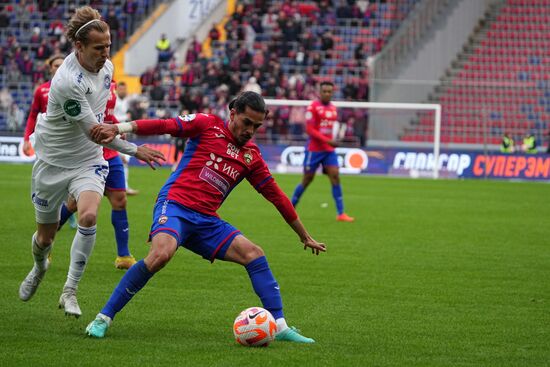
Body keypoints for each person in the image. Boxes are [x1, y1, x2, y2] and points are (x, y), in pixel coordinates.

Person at [85, 92, 326, 343]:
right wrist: (119, 127)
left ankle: (280, 325)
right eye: (247, 123)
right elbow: (165, 125)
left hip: (207, 221)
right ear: (233, 114)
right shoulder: (206, 124)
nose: (250, 131)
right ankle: (103, 318)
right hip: (175, 206)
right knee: (160, 255)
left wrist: (304, 235)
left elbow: (277, 197)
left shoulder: (251, 157)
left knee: (254, 253)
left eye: (257, 126)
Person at [18, 6, 165, 318]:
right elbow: (96, 132)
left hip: (88, 159)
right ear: (79, 47)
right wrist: (136, 150)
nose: (105, 54)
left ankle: (70, 291)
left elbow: (99, 128)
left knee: (87, 217)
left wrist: (113, 133)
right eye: (99, 48)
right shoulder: (67, 82)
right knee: (45, 237)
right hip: (53, 162)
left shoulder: (107, 68)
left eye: (108, 46)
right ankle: (39, 266)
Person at [57, 82, 137, 270]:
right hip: (88, 152)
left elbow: (107, 114)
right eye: (100, 50)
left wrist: (118, 128)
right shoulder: (80, 82)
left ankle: (123, 256)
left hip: (110, 151)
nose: (104, 54)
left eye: (106, 50)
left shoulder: (111, 82)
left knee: (120, 200)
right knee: (74, 204)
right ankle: (45, 239)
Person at [23, 54, 78, 229]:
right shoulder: (42, 90)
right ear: (50, 68)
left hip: (69, 142)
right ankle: (48, 212)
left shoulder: (75, 88)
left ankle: (66, 213)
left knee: (70, 178)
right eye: (56, 65)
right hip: (47, 142)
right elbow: (33, 115)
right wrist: (26, 139)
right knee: (48, 179)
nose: (59, 67)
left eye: (62, 64)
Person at [291, 81, 355, 222]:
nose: (327, 94)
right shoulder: (313, 107)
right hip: (314, 150)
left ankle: (341, 213)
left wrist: (331, 140)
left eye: (329, 92)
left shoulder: (333, 108)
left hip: (328, 150)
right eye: (324, 91)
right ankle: (290, 207)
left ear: (332, 93)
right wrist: (327, 140)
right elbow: (310, 130)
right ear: (320, 92)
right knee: (307, 180)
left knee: (335, 176)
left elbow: (330, 128)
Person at [113, 81, 139, 195]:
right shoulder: (114, 101)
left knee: (123, 162)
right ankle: (123, 187)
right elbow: (112, 117)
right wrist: (126, 117)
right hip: (114, 133)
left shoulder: (125, 102)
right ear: (117, 89)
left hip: (122, 133)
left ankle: (124, 186)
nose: (123, 91)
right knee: (122, 160)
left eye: (124, 89)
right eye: (121, 89)